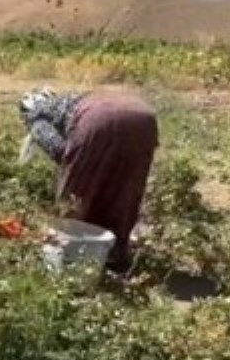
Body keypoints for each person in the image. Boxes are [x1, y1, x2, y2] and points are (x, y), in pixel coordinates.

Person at [18, 87, 158, 272]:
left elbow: (61, 152)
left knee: (76, 195)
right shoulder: (70, 100)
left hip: (98, 119)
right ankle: (117, 253)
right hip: (144, 119)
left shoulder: (37, 118)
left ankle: (68, 257)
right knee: (126, 186)